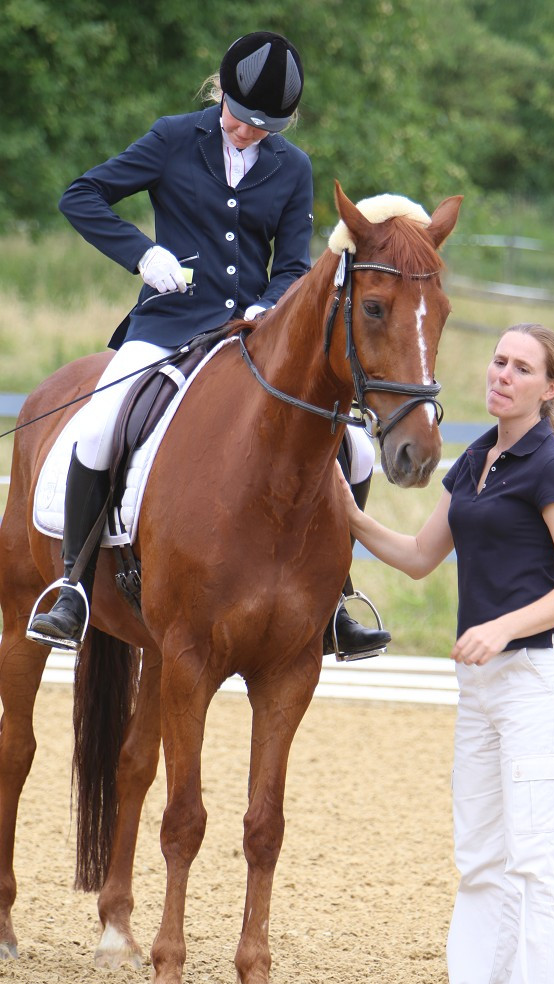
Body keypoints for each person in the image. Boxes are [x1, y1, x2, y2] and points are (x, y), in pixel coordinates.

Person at [27, 30, 390, 658]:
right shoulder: (173, 138)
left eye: (265, 127)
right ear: (221, 92)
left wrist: (270, 306)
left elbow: (293, 264)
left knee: (354, 449)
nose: (249, 133)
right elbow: (80, 195)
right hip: (169, 327)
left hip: (255, 340)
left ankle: (335, 599)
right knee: (99, 428)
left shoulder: (293, 167)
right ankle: (74, 588)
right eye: (242, 119)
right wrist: (143, 254)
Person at [335, 323, 554, 984]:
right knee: (481, 853)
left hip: (538, 681)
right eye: (498, 360)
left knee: (535, 857)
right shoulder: (477, 459)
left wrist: (502, 627)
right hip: (481, 686)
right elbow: (421, 556)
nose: (503, 374)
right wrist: (353, 516)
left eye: (522, 368)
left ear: (549, 389)